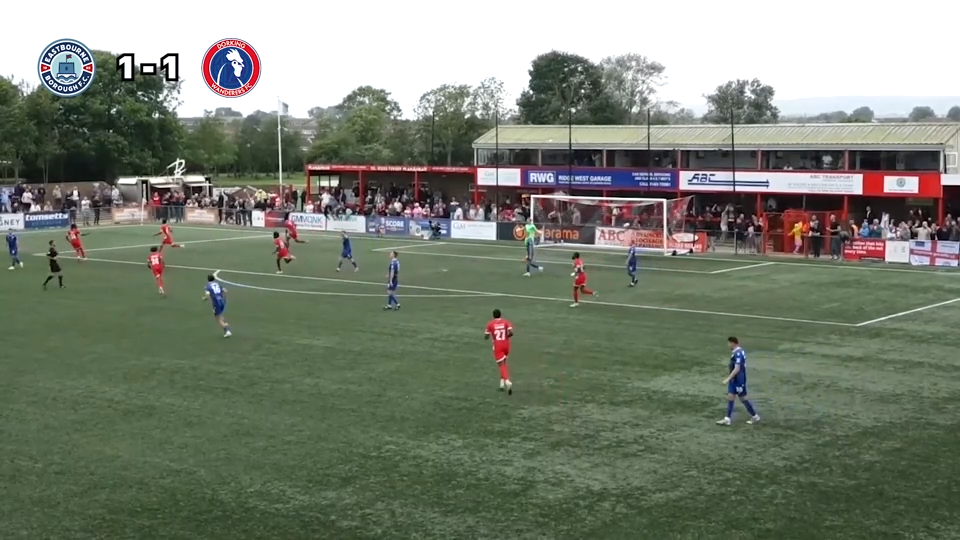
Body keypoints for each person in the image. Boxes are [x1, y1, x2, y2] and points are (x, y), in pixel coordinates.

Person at [717, 337, 760, 426]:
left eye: (729, 343)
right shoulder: (737, 353)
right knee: (730, 397)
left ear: (733, 343)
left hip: (739, 380)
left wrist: (727, 379)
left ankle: (755, 416)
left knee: (743, 399)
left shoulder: (739, 353)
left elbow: (737, 369)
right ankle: (727, 419)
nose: (728, 345)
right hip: (734, 380)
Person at [484, 308, 514, 394]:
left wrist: (489, 335)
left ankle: (507, 381)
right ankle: (501, 384)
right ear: (500, 315)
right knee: (504, 363)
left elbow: (486, 337)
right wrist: (505, 337)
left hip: (498, 345)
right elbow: (511, 333)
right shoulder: (506, 322)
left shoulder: (491, 324)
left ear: (493, 316)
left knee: (501, 365)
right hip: (506, 344)